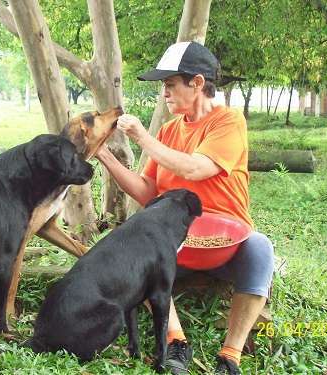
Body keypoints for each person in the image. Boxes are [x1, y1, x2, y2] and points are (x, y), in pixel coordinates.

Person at [96, 41, 274, 375]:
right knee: (134, 251)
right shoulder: (168, 130)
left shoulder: (229, 122)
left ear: (196, 83)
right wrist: (104, 156)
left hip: (227, 240)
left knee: (261, 249)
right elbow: (148, 192)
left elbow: (196, 168)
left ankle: (230, 356)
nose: (164, 93)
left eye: (169, 85)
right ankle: (176, 341)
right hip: (176, 242)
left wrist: (143, 139)